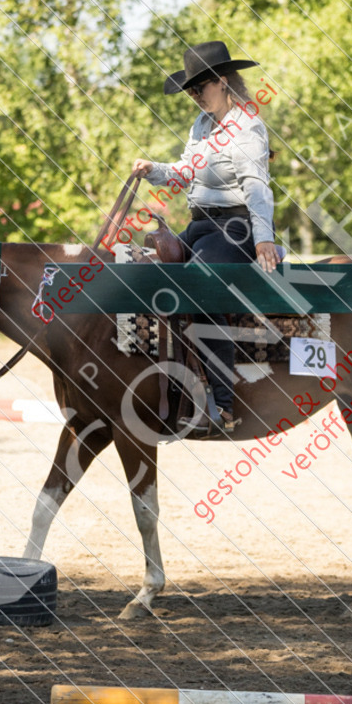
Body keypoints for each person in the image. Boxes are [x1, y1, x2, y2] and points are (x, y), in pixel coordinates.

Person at [132, 40, 278, 432]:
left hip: (236, 227)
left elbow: (256, 187)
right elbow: (186, 171)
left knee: (201, 284)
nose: (195, 96)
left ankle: (223, 404)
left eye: (200, 87)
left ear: (223, 81)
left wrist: (263, 238)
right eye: (190, 91)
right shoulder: (202, 125)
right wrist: (152, 169)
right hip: (200, 226)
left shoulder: (247, 127)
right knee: (143, 269)